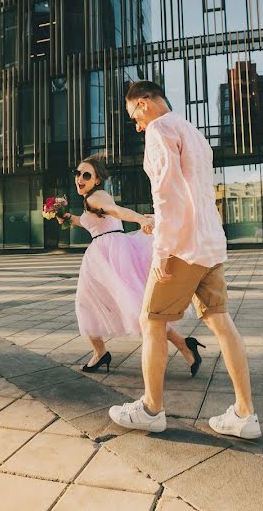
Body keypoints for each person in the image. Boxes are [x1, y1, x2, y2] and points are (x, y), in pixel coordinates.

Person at [108, 81, 261, 439]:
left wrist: (162, 248)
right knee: (222, 324)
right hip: (208, 243)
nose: (137, 125)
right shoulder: (192, 130)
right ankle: (244, 414)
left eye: (134, 117)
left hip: (181, 249)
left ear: (143, 103)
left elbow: (168, 193)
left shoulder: (160, 129)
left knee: (151, 322)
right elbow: (194, 193)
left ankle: (151, 409)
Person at [58, 155, 205, 376]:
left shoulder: (95, 198)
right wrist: (67, 217)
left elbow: (117, 212)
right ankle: (183, 346)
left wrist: (140, 219)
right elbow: (91, 222)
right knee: (116, 305)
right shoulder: (92, 199)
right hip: (106, 254)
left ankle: (182, 345)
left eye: (86, 175)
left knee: (103, 305)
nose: (80, 178)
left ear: (97, 179)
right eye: (78, 174)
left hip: (109, 256)